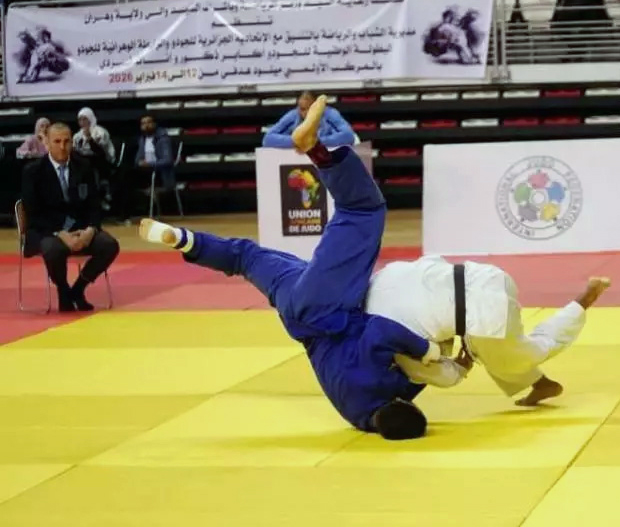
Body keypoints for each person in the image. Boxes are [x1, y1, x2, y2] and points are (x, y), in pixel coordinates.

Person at [139, 96, 441, 440]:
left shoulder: (380, 388)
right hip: (294, 311)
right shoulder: (355, 413)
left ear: (408, 407)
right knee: (245, 257)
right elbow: (405, 387)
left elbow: (382, 332)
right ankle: (184, 239)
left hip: (327, 306)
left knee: (362, 209)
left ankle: (313, 149)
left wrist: (428, 351)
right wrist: (426, 375)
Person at [366, 257, 610, 406]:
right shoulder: (383, 274)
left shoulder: (380, 332)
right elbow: (434, 263)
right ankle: (542, 384)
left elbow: (441, 375)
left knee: (527, 353)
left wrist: (461, 366)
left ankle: (585, 299)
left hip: (486, 313)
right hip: (487, 275)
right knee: (489, 349)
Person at [20, 122, 120, 312]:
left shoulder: (84, 166)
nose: (62, 146)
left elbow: (94, 204)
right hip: (46, 230)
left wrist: (90, 230)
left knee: (109, 245)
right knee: (53, 249)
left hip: (80, 228)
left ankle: (77, 289)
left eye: (67, 141)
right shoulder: (33, 171)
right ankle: (63, 290)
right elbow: (34, 213)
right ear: (47, 144)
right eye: (57, 141)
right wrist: (60, 233)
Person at [262, 91, 357, 149]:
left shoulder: (330, 114)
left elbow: (348, 136)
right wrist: (297, 141)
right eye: (302, 109)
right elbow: (268, 139)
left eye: (310, 108)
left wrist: (317, 142)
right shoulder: (293, 115)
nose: (306, 113)